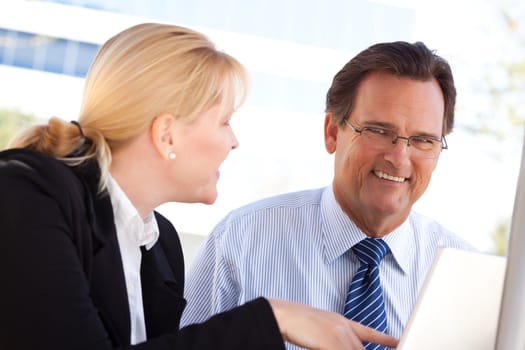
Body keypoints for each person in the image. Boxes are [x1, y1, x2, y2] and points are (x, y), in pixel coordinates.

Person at [0, 23, 398, 350]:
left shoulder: (159, 248)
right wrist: (272, 318)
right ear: (167, 134)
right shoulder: (29, 197)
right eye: (224, 120)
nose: (234, 141)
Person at [181, 41, 476, 349]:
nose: (400, 158)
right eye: (378, 131)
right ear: (332, 132)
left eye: (423, 140)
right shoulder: (241, 240)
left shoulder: (468, 279)